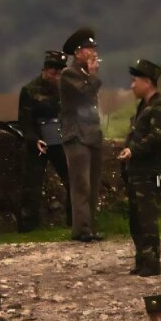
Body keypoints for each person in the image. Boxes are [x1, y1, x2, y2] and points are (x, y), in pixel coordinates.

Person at [117, 60, 161, 277]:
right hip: (136, 172)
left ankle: (152, 262)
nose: (132, 86)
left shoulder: (160, 108)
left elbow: (156, 137)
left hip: (150, 172)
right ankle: (142, 259)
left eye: (135, 81)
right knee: (136, 218)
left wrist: (133, 150)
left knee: (147, 217)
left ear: (147, 82)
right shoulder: (144, 107)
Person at [18, 50, 72, 232]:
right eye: (53, 71)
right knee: (32, 184)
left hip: (61, 139)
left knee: (72, 179)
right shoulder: (30, 90)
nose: (56, 76)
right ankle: (28, 226)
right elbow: (25, 121)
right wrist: (34, 140)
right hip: (39, 140)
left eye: (60, 72)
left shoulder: (66, 90)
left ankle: (74, 220)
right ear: (44, 70)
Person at [59, 27, 104, 242]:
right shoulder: (69, 74)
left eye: (93, 48)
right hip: (76, 135)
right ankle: (81, 228)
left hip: (92, 134)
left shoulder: (87, 75)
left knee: (94, 185)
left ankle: (90, 226)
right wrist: (94, 76)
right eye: (88, 49)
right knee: (81, 184)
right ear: (78, 53)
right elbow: (85, 93)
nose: (93, 52)